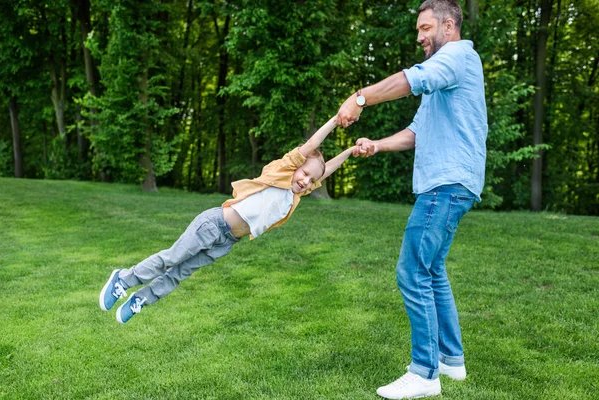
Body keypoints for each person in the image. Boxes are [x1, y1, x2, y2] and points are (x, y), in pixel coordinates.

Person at [336, 0, 487, 398]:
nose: (419, 37)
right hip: (451, 182)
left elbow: (409, 79)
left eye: (425, 28)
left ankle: (424, 374)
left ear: (449, 25)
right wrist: (377, 145)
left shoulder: (456, 56)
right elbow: (417, 132)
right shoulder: (447, 76)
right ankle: (451, 363)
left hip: (446, 183)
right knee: (432, 270)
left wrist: (361, 97)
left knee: (411, 271)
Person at [99, 116, 355, 324]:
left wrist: (350, 150)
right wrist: (336, 120)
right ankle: (123, 279)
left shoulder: (295, 196)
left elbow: (325, 170)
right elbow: (311, 146)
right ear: (296, 165)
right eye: (305, 174)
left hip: (227, 241)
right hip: (213, 225)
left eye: (311, 181)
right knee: (172, 258)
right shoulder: (280, 173)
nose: (306, 181)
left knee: (180, 273)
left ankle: (141, 298)